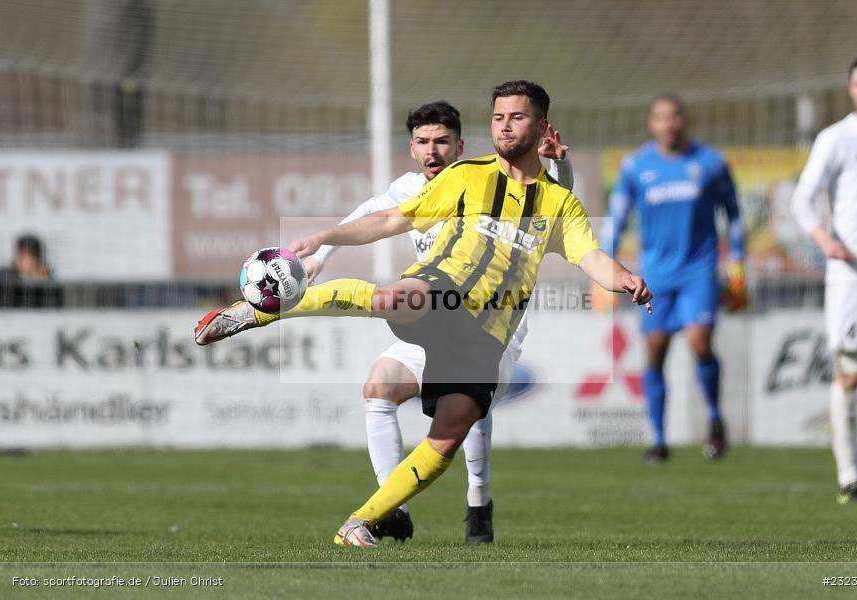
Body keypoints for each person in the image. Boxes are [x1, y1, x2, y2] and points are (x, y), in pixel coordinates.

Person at [196, 80, 653, 547]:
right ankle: (264, 311)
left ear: (540, 126)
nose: (504, 126)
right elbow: (394, 218)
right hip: (442, 287)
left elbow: (591, 257)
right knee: (395, 300)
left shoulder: (559, 204)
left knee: (448, 436)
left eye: (516, 117)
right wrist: (323, 237)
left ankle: (361, 522)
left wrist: (624, 278)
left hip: (487, 332)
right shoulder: (467, 175)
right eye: (498, 117)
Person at [298, 101, 574, 544]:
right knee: (378, 387)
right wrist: (321, 254)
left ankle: (478, 501)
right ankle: (393, 509)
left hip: (491, 324)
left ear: (460, 147)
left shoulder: (487, 181)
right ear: (411, 149)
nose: (433, 151)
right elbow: (369, 214)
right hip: (432, 314)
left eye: (443, 141)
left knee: (468, 410)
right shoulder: (407, 189)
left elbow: (554, 201)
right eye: (423, 142)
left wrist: (562, 165)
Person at [601, 94, 745, 463]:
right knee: (655, 353)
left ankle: (714, 418)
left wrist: (738, 265)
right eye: (661, 117)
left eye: (675, 116)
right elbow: (616, 219)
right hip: (656, 276)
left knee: (700, 343)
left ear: (684, 120)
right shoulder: (635, 167)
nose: (669, 123)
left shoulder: (710, 163)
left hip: (699, 271)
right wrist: (603, 269)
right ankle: (659, 440)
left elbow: (734, 214)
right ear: (652, 124)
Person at [791, 52, 857, 504]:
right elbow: (802, 199)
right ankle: (849, 476)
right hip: (852, 276)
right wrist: (825, 240)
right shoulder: (836, 138)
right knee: (850, 375)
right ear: (850, 89)